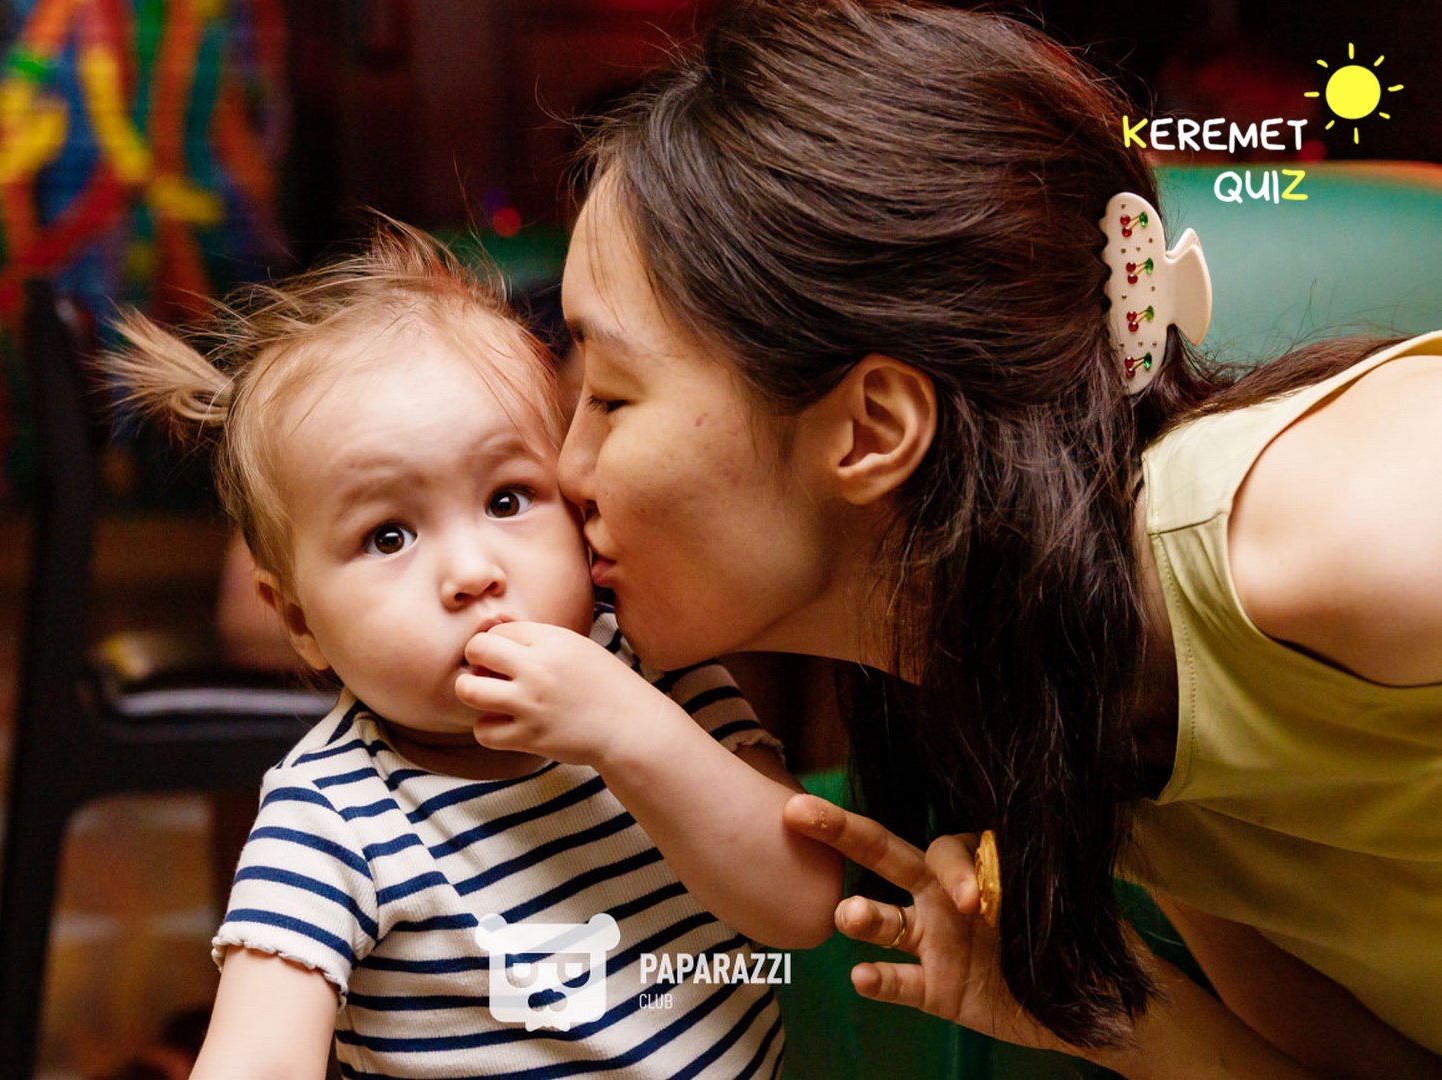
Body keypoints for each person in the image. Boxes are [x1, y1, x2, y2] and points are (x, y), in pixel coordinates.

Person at [551, 2, 1442, 1078]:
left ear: (871, 429)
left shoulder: (1339, 526)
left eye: (609, 396)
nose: (565, 470)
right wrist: (1117, 1019)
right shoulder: (1080, 700)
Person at [104, 222, 842, 1078]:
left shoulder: (657, 675)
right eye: (388, 536)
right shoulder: (329, 818)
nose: (470, 573)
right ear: (299, 620)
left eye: (506, 499)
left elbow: (801, 904)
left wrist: (625, 730)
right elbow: (259, 1057)